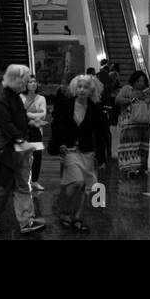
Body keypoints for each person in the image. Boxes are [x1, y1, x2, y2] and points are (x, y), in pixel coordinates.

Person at [0, 64, 45, 235]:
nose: (26, 84)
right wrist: (21, 138)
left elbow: (14, 120)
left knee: (18, 184)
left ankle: (25, 221)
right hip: (6, 147)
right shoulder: (3, 97)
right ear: (16, 80)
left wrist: (29, 125)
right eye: (24, 81)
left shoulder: (11, 96)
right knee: (3, 186)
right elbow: (7, 124)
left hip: (11, 146)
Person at [48, 74, 108, 232]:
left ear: (91, 90)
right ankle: (64, 211)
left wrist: (102, 157)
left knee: (85, 187)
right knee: (78, 182)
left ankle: (77, 218)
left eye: (86, 87)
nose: (82, 90)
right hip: (69, 149)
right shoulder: (66, 104)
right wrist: (58, 144)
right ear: (75, 88)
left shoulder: (95, 107)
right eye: (79, 86)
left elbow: (102, 132)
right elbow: (57, 125)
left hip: (87, 151)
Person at [114, 70, 150, 176]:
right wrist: (131, 100)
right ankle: (128, 168)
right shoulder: (127, 89)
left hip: (143, 125)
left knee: (141, 146)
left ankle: (140, 167)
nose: (140, 83)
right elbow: (118, 100)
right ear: (133, 81)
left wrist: (149, 100)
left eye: (142, 81)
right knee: (128, 146)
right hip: (128, 125)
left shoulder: (149, 91)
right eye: (138, 81)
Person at [22, 74, 47, 191]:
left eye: (34, 82)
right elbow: (20, 114)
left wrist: (29, 116)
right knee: (23, 156)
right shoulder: (21, 97)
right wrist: (33, 118)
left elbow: (43, 114)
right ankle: (22, 180)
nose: (33, 84)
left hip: (36, 130)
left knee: (37, 156)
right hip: (23, 131)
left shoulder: (41, 98)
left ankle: (34, 181)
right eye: (30, 82)